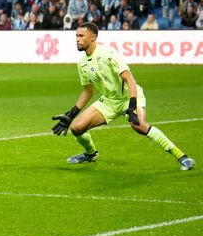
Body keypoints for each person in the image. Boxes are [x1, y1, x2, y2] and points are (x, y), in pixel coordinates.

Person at [51, 23, 194, 170]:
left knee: (139, 125)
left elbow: (130, 79)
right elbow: (88, 91)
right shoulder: (82, 63)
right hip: (109, 100)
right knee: (76, 128)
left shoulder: (108, 54)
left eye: (81, 36)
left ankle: (182, 157)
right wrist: (71, 114)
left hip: (129, 97)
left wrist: (132, 106)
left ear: (93, 37)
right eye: (76, 36)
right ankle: (91, 154)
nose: (77, 39)